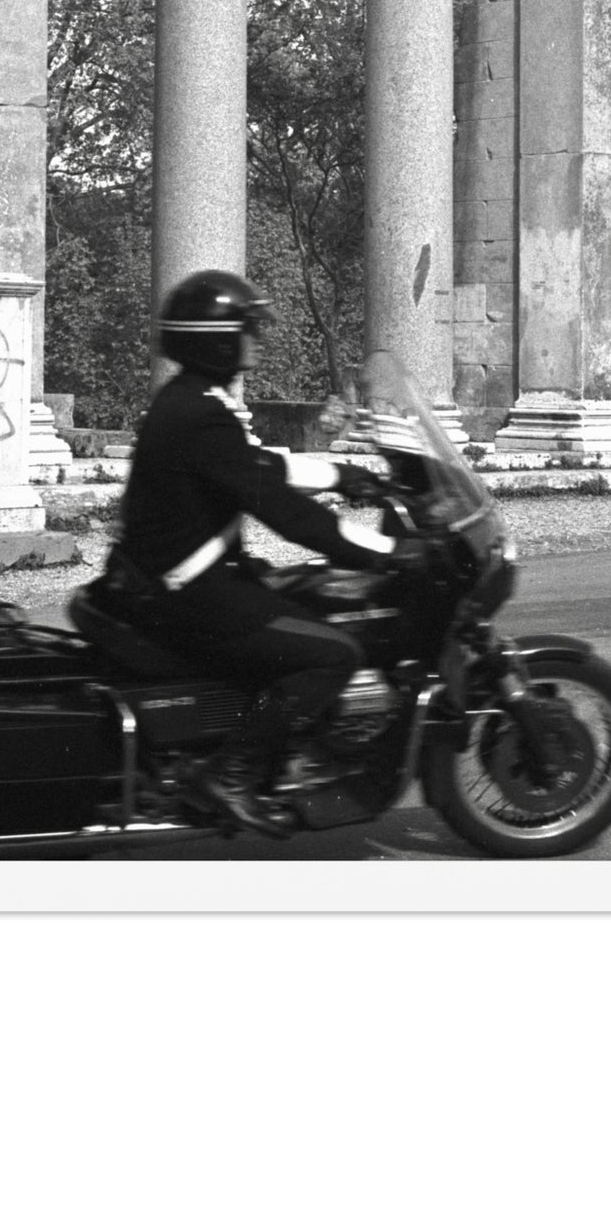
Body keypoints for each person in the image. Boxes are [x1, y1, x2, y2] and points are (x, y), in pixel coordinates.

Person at [99, 269, 424, 837]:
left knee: (307, 596)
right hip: (189, 596)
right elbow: (287, 514)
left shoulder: (191, 402)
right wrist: (389, 550)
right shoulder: (200, 414)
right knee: (333, 653)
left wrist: (343, 475)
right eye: (247, 328)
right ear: (218, 341)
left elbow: (257, 466)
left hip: (167, 583)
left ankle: (282, 751)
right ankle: (233, 775)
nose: (257, 339)